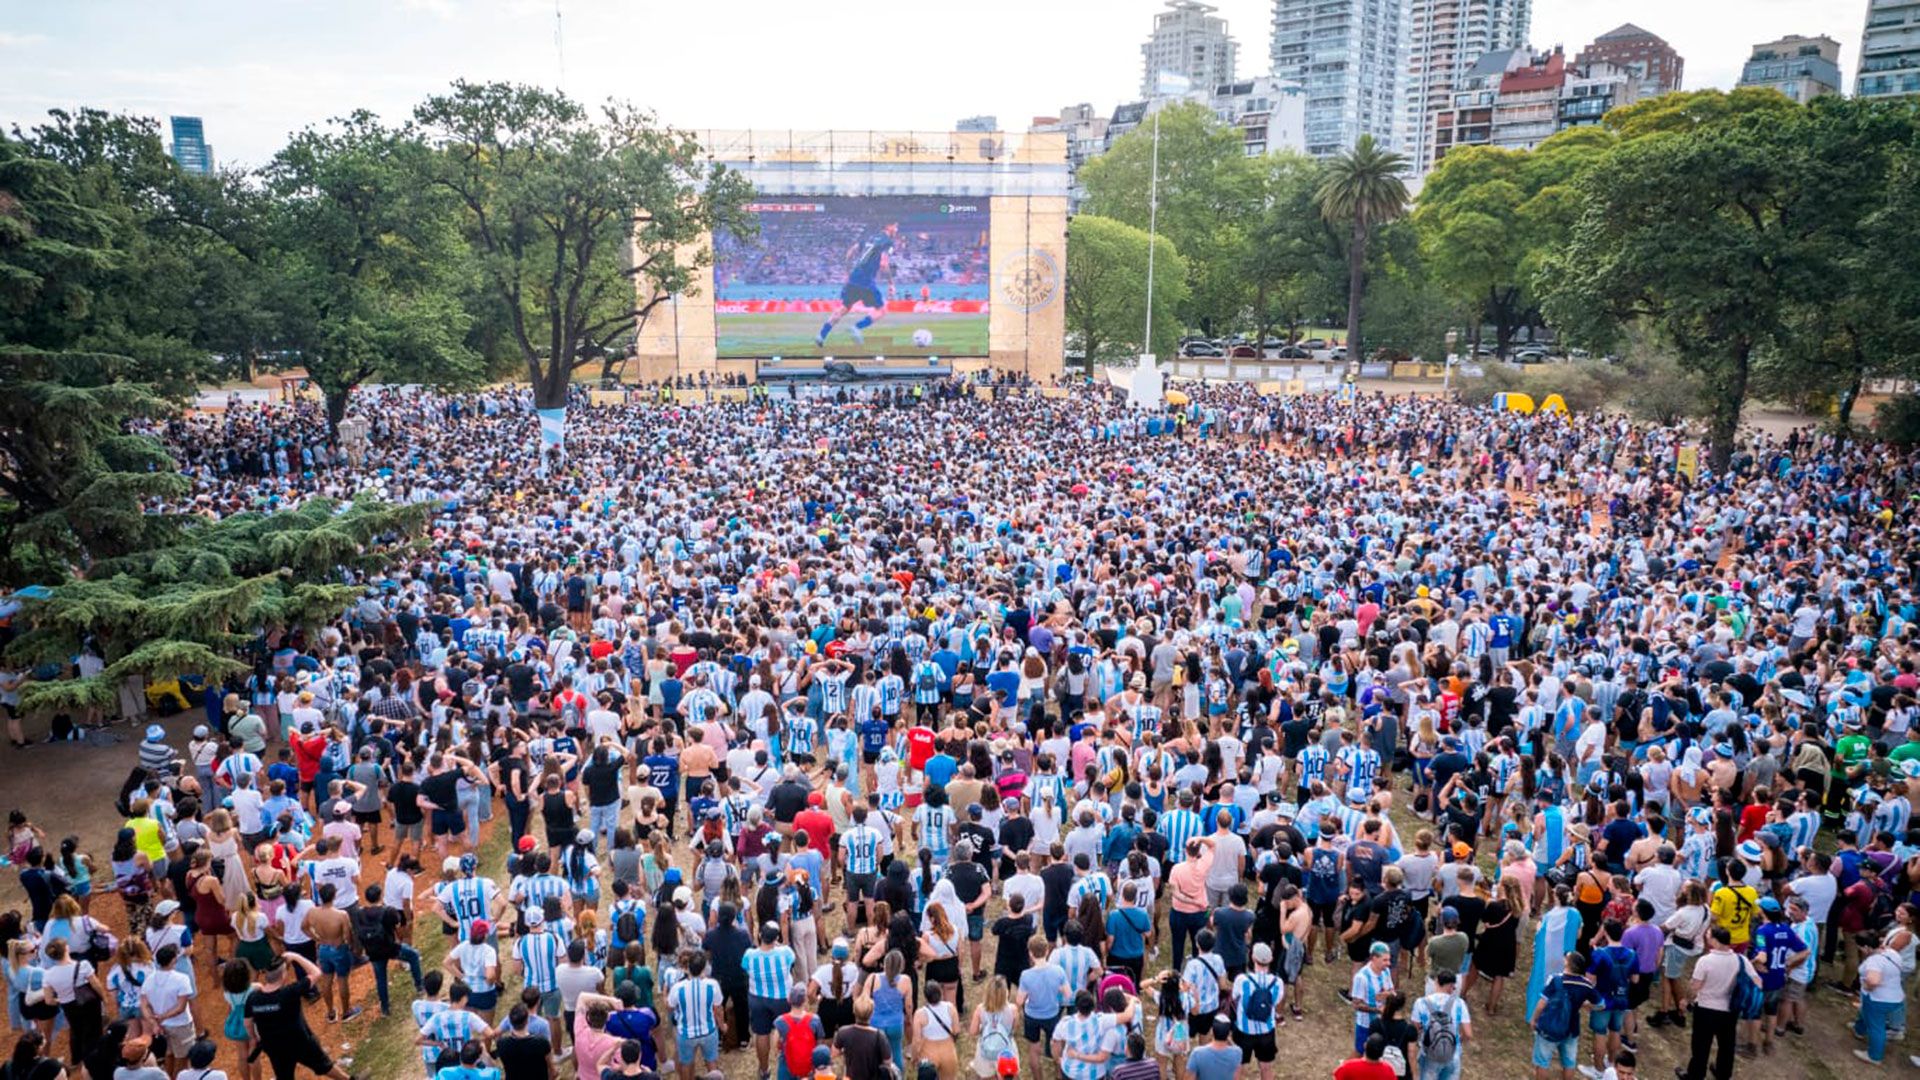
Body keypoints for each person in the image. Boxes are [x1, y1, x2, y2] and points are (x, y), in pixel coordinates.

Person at [242, 954, 365, 1080]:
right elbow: (316, 972)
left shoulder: (253, 998)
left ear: (266, 976)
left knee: (284, 1076)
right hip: (300, 1042)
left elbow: (247, 1022)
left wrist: (254, 1038)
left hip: (274, 1046)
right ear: (283, 974)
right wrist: (294, 956)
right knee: (324, 1065)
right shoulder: (289, 992)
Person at [1678, 929, 1754, 1080]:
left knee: (1701, 1046)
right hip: (1730, 1009)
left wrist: (1686, 1000)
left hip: (1706, 1009)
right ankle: (1723, 1073)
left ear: (1715, 940)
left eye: (1708, 936)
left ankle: (1695, 1075)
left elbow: (1695, 986)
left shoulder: (1706, 961)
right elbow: (1753, 980)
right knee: (1726, 1046)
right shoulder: (1741, 960)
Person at [1529, 952, 1595, 1080]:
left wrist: (1534, 1018)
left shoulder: (1556, 980)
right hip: (1572, 1029)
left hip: (1550, 1027)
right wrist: (1584, 1004)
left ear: (1568, 964)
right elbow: (1600, 1004)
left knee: (1542, 1062)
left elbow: (1542, 1002)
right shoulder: (1586, 985)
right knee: (1569, 1063)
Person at [1229, 942, 1283, 1080]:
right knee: (1266, 1067)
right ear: (1270, 959)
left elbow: (1234, 997)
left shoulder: (1242, 980)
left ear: (1253, 958)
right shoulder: (1277, 982)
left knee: (1238, 1066)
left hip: (1244, 1030)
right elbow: (1276, 1002)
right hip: (1267, 1030)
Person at [1409, 970, 1471, 1080]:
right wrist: (1457, 1041)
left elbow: (1415, 1029)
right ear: (1452, 986)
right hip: (1452, 1054)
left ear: (1436, 982)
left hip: (1429, 1054)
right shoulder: (1459, 1003)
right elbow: (1468, 1033)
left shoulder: (1421, 1002)